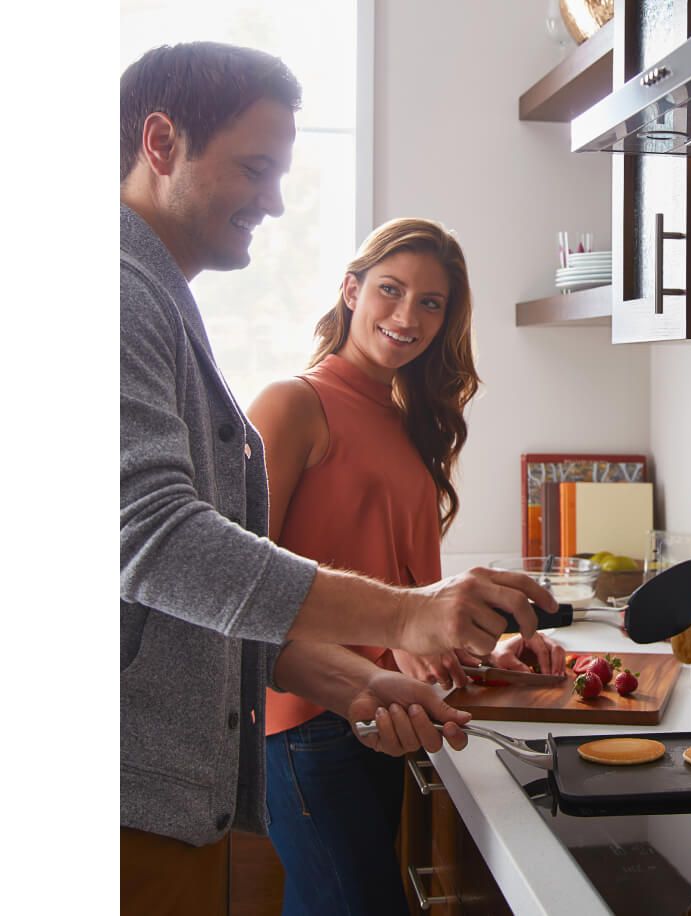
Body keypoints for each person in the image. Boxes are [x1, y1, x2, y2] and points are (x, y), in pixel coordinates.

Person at [119, 42, 557, 916]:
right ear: (160, 142)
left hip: (180, 782)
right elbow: (159, 542)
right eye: (256, 167)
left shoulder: (159, 298)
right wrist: (408, 615)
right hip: (150, 779)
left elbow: (219, 594)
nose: (277, 201)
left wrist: (366, 678)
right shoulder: (119, 293)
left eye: (432, 303)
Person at [247, 217, 567, 914]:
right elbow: (242, 585)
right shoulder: (292, 404)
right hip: (304, 717)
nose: (407, 316)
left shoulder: (405, 423)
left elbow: (408, 601)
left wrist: (495, 651)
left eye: (431, 303)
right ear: (350, 292)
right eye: (390, 291)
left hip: (385, 713)